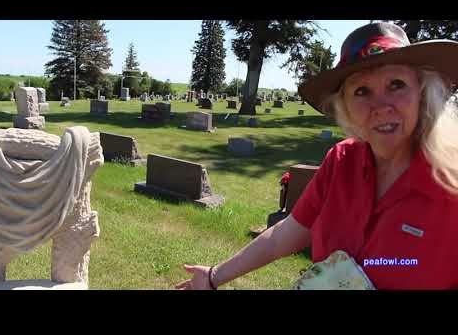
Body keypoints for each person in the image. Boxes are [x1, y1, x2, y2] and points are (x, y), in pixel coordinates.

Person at [176, 22, 458, 290]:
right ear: (345, 108)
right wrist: (214, 276)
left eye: (396, 84)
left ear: (422, 92)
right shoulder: (342, 160)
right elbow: (285, 236)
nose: (381, 106)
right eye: (362, 91)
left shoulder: (451, 182)